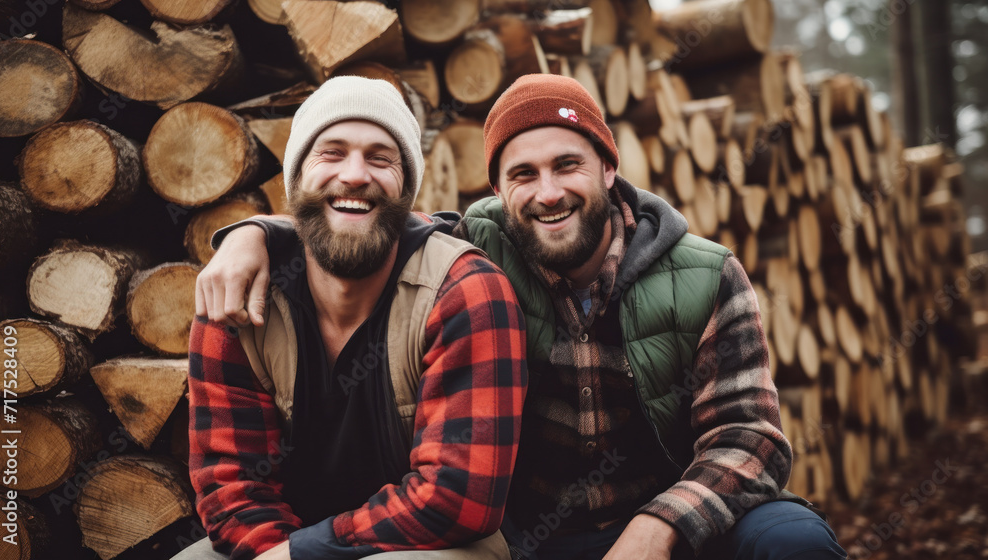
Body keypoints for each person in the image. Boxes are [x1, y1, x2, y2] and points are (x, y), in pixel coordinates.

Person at [199, 74, 846, 560]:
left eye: (568, 165)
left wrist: (662, 525)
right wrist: (253, 235)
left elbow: (750, 440)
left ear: (609, 168)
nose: (548, 192)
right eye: (523, 174)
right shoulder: (480, 248)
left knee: (795, 541)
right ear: (499, 191)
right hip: (535, 536)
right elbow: (364, 225)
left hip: (680, 523)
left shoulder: (704, 274)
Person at [178, 76, 528, 560]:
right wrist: (278, 550)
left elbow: (454, 499)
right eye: (332, 153)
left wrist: (302, 553)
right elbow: (231, 487)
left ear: (406, 188)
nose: (356, 175)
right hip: (282, 540)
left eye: (380, 158)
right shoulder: (236, 295)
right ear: (297, 178)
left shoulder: (464, 290)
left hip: (429, 542)